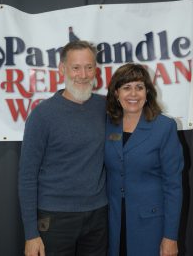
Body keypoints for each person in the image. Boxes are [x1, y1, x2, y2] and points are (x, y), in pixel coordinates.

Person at [19, 40, 108, 256]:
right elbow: (27, 176)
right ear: (62, 69)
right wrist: (31, 234)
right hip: (54, 218)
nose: (83, 74)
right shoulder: (42, 115)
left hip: (98, 215)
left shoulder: (105, 107)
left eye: (89, 67)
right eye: (75, 67)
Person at [105, 63, 183, 256]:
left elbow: (173, 186)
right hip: (112, 225)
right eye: (126, 88)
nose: (133, 94)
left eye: (139, 87)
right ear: (116, 93)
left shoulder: (164, 127)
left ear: (147, 92)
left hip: (151, 226)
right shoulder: (107, 124)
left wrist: (170, 237)